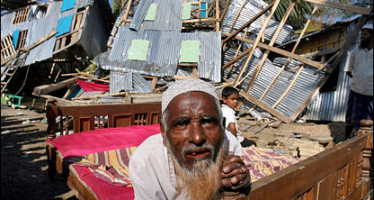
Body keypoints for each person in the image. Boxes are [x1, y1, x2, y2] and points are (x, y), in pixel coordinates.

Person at [129, 79, 251, 200]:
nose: (197, 138)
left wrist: (240, 186)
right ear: (164, 133)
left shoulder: (230, 143)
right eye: (182, 124)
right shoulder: (146, 161)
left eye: (207, 122)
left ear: (223, 126)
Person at [344, 23, 373, 139]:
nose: (362, 36)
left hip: (371, 93)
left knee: (369, 121)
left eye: (365, 34)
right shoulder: (355, 52)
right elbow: (348, 71)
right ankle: (345, 139)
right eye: (361, 34)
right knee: (351, 118)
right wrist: (359, 78)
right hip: (356, 90)